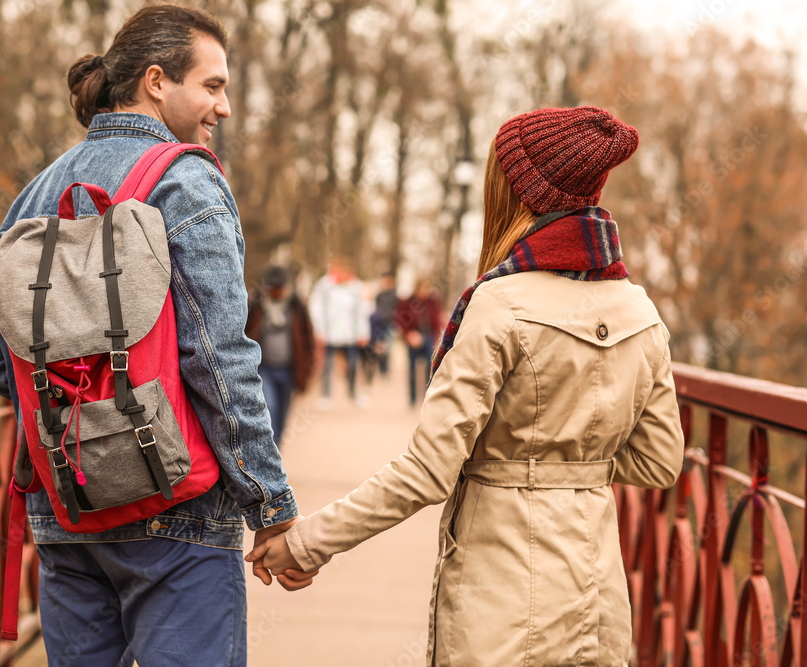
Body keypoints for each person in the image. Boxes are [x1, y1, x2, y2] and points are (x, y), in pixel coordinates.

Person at [248, 106, 685, 666]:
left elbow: (427, 472)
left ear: (519, 193)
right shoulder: (640, 311)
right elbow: (660, 462)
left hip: (504, 604)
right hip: (599, 604)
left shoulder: (499, 305)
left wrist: (307, 543)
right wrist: (571, 456)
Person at [0, 6, 313, 666]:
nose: (226, 107)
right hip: (175, 506)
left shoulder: (39, 189)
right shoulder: (186, 176)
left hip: (65, 506)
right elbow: (218, 359)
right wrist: (271, 506)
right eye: (212, 87)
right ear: (156, 81)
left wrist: (80, 426)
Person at [246, 265, 315, 446]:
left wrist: (307, 373)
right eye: (272, 289)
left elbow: (308, 340)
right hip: (264, 369)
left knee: (283, 415)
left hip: (289, 371)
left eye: (279, 288)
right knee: (270, 408)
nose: (276, 292)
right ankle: (269, 450)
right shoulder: (256, 305)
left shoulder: (297, 306)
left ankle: (276, 450)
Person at [308, 255, 371, 408]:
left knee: (353, 365)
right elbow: (315, 307)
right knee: (327, 365)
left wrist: (363, 332)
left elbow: (362, 311)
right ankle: (325, 395)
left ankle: (353, 393)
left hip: (350, 334)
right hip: (329, 333)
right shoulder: (324, 286)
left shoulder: (355, 287)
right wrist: (319, 330)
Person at [394, 277, 443, 406]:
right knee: (412, 368)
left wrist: (437, 337)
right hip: (413, 337)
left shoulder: (433, 302)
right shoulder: (408, 302)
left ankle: (427, 396)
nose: (425, 291)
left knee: (430, 366)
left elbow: (437, 320)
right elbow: (401, 319)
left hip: (428, 337)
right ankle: (412, 399)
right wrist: (409, 334)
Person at [364, 272, 398, 380]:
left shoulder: (394, 295)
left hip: (390, 324)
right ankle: (380, 369)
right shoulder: (380, 295)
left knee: (387, 348)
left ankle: (385, 370)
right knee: (378, 347)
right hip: (379, 323)